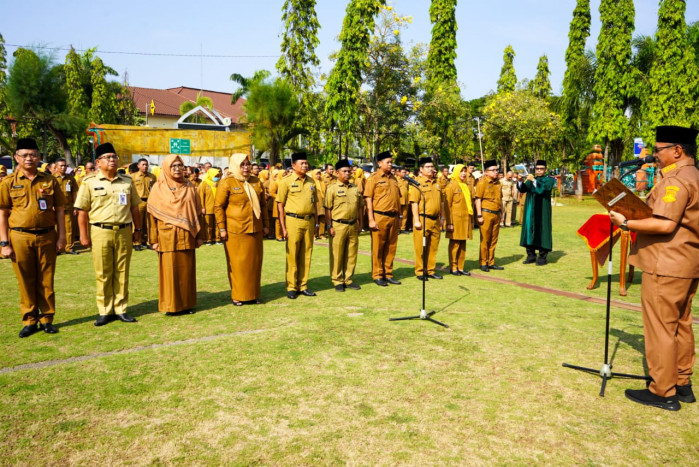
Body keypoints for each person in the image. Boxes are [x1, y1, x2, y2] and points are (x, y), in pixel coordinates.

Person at [610, 125, 698, 411]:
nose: (654, 155)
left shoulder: (677, 182)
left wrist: (625, 222)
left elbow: (665, 223)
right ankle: (682, 383)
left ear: (677, 150)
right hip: (686, 262)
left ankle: (663, 391)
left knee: (661, 328)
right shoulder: (692, 175)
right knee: (681, 324)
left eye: (658, 150)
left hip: (667, 264)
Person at [0, 138, 66, 337]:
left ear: (39, 157)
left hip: (47, 235)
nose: (29, 158)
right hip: (20, 237)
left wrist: (62, 237)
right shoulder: (8, 182)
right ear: (16, 158)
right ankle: (29, 319)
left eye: (33, 155)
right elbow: (2, 212)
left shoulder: (49, 180)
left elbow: (60, 210)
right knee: (25, 279)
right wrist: (4, 243)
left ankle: (47, 318)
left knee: (46, 279)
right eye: (25, 155)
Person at [74, 142, 142, 326]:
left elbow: (135, 207)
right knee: (103, 272)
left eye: (114, 157)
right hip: (100, 230)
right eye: (108, 157)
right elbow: (82, 211)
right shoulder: (89, 182)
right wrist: (83, 236)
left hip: (124, 230)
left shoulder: (126, 181)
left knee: (122, 271)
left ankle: (121, 308)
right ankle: (105, 310)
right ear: (98, 162)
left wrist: (139, 230)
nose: (112, 160)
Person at [147, 155, 204, 315]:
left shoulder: (190, 187)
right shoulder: (158, 188)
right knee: (170, 272)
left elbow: (198, 212)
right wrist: (153, 240)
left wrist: (200, 236)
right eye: (173, 166)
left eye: (180, 165)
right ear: (166, 168)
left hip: (187, 235)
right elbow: (151, 216)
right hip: (166, 236)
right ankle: (171, 306)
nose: (178, 168)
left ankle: (187, 304)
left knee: (187, 271)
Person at [216, 153, 269, 305]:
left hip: (255, 229)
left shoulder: (256, 181)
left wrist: (266, 225)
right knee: (238, 265)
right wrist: (222, 228)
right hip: (235, 230)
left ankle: (252, 294)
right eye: (242, 164)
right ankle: (238, 295)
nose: (246, 167)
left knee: (254, 264)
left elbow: (263, 205)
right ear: (235, 166)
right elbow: (218, 206)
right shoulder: (227, 182)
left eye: (248, 164)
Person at [277, 152, 319, 299]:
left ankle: (303, 285)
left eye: (306, 163)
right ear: (293, 165)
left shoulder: (312, 182)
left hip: (309, 221)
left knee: (306, 254)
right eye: (302, 163)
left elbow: (314, 204)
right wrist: (283, 227)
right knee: (293, 254)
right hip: (292, 220)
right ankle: (291, 286)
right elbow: (280, 205)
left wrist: (316, 224)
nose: (305, 165)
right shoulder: (286, 181)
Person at [324, 159, 364, 291]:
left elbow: (360, 207)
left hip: (353, 224)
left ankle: (348, 278)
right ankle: (337, 280)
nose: (348, 173)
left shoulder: (355, 188)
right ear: (337, 173)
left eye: (349, 171)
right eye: (344, 171)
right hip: (338, 225)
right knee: (337, 253)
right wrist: (329, 226)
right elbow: (327, 209)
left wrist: (361, 223)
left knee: (351, 254)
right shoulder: (332, 189)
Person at [364, 151, 402, 286]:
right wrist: (371, 219)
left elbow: (398, 198)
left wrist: (400, 217)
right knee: (378, 248)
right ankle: (378, 274)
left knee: (391, 247)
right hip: (379, 216)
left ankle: (388, 273)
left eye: (391, 162)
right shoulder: (373, 178)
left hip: (393, 216)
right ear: (379, 164)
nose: (391, 164)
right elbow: (368, 199)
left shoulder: (393, 178)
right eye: (388, 162)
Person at [410, 157, 444, 280]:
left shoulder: (437, 183)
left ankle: (430, 270)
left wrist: (442, 217)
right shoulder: (417, 183)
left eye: (431, 167)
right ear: (421, 169)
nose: (430, 169)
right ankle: (420, 271)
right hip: (423, 219)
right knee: (421, 247)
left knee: (433, 246)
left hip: (435, 219)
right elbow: (414, 203)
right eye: (427, 167)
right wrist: (416, 220)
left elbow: (441, 203)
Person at [518, 161, 556, 265]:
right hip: (530, 209)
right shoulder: (530, 179)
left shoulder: (549, 180)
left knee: (543, 230)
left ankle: (542, 257)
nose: (539, 170)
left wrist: (533, 180)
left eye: (541, 168)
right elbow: (523, 189)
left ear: (545, 169)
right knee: (529, 229)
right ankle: (531, 255)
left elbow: (543, 189)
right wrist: (520, 180)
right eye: (537, 168)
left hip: (543, 209)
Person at [474, 159, 503, 272]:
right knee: (485, 239)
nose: (496, 172)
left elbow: (499, 199)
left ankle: (491, 261)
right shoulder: (482, 182)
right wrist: (479, 215)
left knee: (493, 239)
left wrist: (502, 213)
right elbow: (478, 199)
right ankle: (483, 262)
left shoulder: (498, 183)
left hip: (496, 213)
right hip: (486, 213)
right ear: (486, 172)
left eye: (497, 170)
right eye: (493, 170)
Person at [445, 164, 474, 276]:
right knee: (455, 243)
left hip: (465, 218)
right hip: (455, 219)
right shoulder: (451, 186)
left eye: (464, 171)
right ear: (456, 172)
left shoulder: (465, 186)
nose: (463, 173)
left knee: (463, 243)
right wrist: (449, 222)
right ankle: (453, 267)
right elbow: (448, 206)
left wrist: (471, 221)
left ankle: (460, 267)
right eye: (461, 171)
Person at [53, 159, 79, 255]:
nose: (63, 167)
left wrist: (76, 206)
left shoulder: (70, 178)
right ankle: (57, 248)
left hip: (68, 207)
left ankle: (69, 247)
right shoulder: (52, 178)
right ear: (56, 167)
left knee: (69, 228)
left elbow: (74, 193)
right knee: (56, 228)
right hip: (55, 208)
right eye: (61, 166)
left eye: (65, 166)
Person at [131, 158, 156, 251]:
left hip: (150, 201)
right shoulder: (133, 176)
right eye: (143, 164)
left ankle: (148, 241)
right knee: (137, 223)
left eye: (146, 164)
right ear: (138, 166)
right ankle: (137, 242)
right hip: (138, 201)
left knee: (149, 223)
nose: (145, 166)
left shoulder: (152, 177)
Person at [199, 167, 221, 245]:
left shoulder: (219, 184)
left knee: (217, 224)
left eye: (218, 176)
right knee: (208, 225)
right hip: (208, 208)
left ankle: (217, 239)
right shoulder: (204, 184)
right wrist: (202, 207)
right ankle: (208, 239)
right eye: (215, 176)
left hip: (218, 208)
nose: (217, 177)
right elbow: (201, 196)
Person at [395, 166, 411, 233]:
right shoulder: (396, 179)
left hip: (406, 200)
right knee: (397, 215)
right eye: (403, 172)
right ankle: (397, 228)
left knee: (405, 215)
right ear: (399, 173)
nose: (404, 174)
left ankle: (403, 228)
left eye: (405, 172)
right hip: (398, 200)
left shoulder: (407, 180)